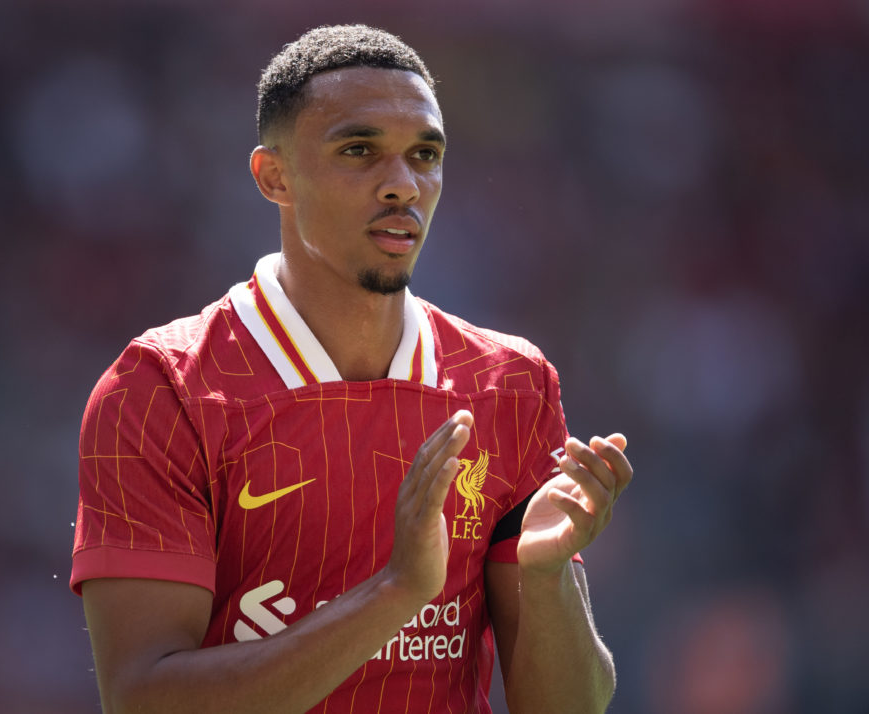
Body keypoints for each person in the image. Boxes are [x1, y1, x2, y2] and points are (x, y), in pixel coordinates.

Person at [71, 24, 632, 714]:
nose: (403, 185)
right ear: (274, 177)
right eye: (359, 151)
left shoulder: (510, 384)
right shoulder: (162, 391)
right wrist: (395, 594)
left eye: (425, 155)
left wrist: (544, 581)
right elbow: (144, 701)